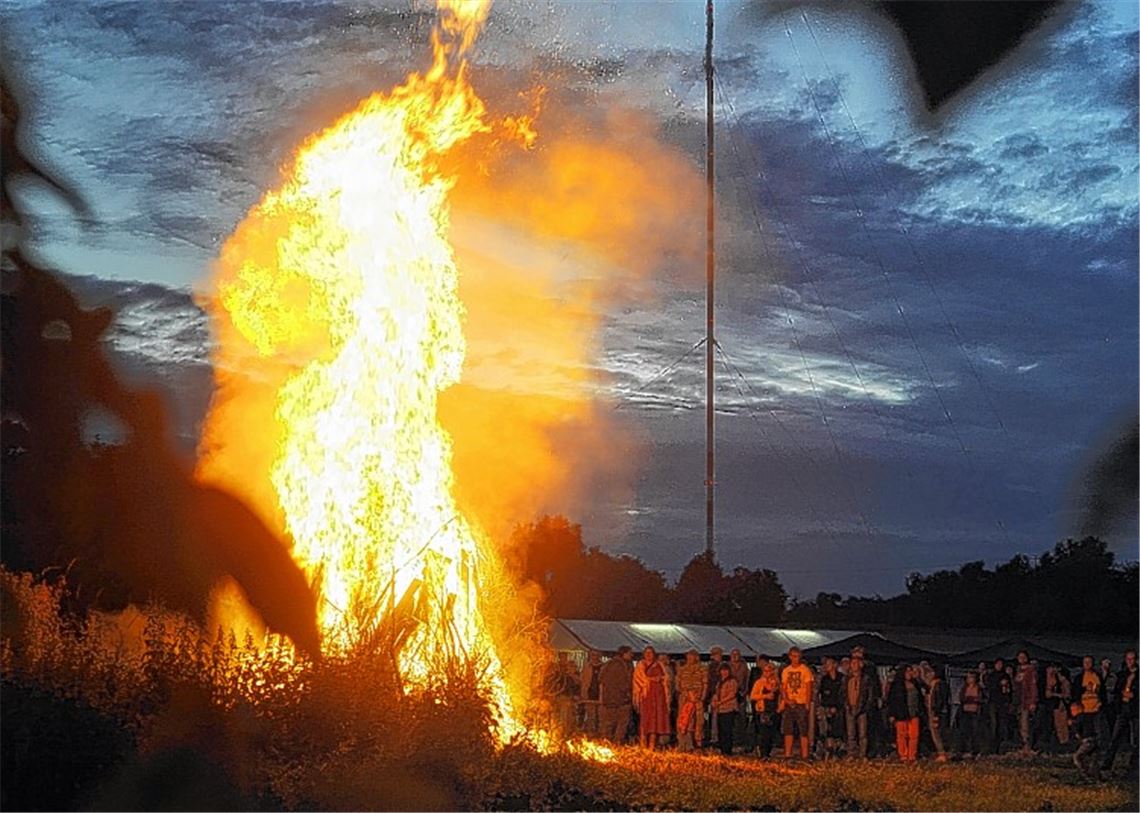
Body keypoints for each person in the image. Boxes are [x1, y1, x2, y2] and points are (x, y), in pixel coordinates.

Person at [1101, 649, 1138, 773]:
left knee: (1137, 739)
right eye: (1128, 659)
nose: (1130, 662)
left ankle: (1134, 765)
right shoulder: (1122, 674)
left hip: (1136, 709)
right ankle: (1107, 763)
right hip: (1123, 709)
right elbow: (1116, 690)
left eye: (1132, 659)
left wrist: (1135, 694)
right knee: (1115, 737)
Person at [632, 646, 671, 749]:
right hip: (646, 695)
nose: (649, 655)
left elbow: (666, 678)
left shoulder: (659, 665)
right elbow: (639, 679)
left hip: (658, 696)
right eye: (647, 653)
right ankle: (643, 744)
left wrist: (661, 679)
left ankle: (652, 745)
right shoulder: (641, 665)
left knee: (656, 720)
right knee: (646, 719)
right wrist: (652, 680)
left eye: (651, 653)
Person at [779, 647, 814, 760]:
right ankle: (788, 755)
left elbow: (809, 687)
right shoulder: (786, 671)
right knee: (788, 730)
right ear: (790, 657)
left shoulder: (805, 670)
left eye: (797, 656)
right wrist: (786, 700)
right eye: (793, 656)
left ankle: (804, 755)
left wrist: (807, 703)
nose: (795, 659)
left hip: (801, 703)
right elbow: (783, 688)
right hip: (790, 703)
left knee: (803, 730)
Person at [886, 664, 923, 762]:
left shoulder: (915, 684)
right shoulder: (896, 685)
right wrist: (892, 714)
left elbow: (920, 699)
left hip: (914, 713)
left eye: (910, 671)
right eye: (907, 671)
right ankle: (903, 754)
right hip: (901, 714)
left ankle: (912, 755)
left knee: (914, 735)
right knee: (901, 735)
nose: (910, 673)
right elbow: (891, 701)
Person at [598, 646, 634, 744]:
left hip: (608, 700)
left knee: (608, 724)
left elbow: (600, 679)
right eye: (630, 653)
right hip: (621, 700)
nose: (632, 655)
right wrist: (628, 693)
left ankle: (606, 743)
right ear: (624, 653)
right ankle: (617, 743)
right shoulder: (623, 666)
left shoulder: (607, 665)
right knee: (621, 724)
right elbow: (624, 683)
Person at [674, 649, 708, 752]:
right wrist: (686, 693)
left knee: (698, 721)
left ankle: (695, 744)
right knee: (684, 720)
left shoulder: (703, 669)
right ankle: (683, 743)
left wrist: (701, 697)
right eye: (688, 656)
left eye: (693, 656)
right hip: (685, 697)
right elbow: (677, 685)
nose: (690, 658)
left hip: (697, 698)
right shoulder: (682, 669)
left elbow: (705, 684)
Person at [844, 651, 875, 759]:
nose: (853, 666)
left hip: (862, 708)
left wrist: (865, 708)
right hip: (850, 707)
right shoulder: (847, 679)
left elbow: (870, 695)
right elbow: (843, 693)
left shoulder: (866, 679)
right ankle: (852, 753)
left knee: (863, 733)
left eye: (855, 663)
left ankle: (862, 754)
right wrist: (846, 705)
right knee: (850, 733)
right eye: (852, 664)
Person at [1076, 654, 1109, 751]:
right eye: (1085, 662)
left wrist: (1103, 704)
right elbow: (1076, 692)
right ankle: (1085, 750)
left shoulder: (1097, 676)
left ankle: (1098, 750)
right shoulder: (1080, 678)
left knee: (1099, 731)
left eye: (1089, 662)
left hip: (1097, 707)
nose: (1087, 664)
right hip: (1084, 709)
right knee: (1086, 732)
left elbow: (1102, 691)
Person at [750, 660, 780, 758]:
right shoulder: (759, 682)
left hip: (773, 710)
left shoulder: (776, 684)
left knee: (771, 733)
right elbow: (753, 696)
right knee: (763, 733)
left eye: (769, 670)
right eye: (765, 671)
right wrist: (765, 696)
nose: (767, 673)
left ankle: (768, 752)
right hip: (763, 710)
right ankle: (763, 754)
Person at [817, 657, 844, 759]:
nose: (826, 666)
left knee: (837, 730)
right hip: (826, 708)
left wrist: (837, 706)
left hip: (839, 709)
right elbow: (823, 694)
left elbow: (842, 694)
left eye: (828, 664)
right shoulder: (824, 680)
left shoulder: (842, 678)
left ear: (834, 665)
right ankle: (828, 750)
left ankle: (838, 750)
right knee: (826, 731)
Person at [984, 657, 1013, 753]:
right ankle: (993, 745)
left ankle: (1002, 745)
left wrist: (1008, 701)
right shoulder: (991, 676)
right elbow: (989, 687)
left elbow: (1009, 690)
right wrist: (998, 684)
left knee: (1002, 723)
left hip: (1003, 702)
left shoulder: (1006, 676)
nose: (999, 666)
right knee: (994, 723)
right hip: (993, 702)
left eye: (1001, 664)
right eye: (998, 664)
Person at [922, 663, 949, 762]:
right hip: (935, 711)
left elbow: (939, 700)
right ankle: (941, 751)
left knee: (937, 732)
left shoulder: (938, 685)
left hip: (937, 712)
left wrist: (936, 711)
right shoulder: (934, 685)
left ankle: (942, 752)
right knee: (936, 731)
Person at [1014, 649, 1039, 755]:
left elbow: (1033, 687)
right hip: (1019, 701)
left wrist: (1033, 701)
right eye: (1020, 657)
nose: (1021, 659)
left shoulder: (1031, 671)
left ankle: (1028, 746)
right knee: (1021, 724)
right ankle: (1023, 745)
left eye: (1023, 657)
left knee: (1026, 724)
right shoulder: (1018, 670)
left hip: (1027, 701)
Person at [548, 651, 580, 732]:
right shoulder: (557, 671)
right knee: (559, 717)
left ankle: (565, 731)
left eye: (565, 657)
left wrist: (571, 674)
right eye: (562, 657)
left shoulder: (572, 671)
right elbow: (553, 683)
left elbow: (579, 682)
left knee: (567, 717)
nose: (564, 659)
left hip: (569, 697)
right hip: (560, 696)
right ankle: (558, 731)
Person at [1069, 701, 1101, 781]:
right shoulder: (1088, 717)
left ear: (1078, 709)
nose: (1072, 713)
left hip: (1087, 741)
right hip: (1095, 739)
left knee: (1077, 757)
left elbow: (1078, 732)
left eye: (1073, 710)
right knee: (1093, 759)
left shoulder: (1078, 718)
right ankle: (1096, 777)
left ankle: (1085, 776)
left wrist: (1072, 725)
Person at [1043, 663, 1072, 752]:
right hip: (1054, 705)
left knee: (1062, 723)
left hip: (1060, 704)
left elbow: (1067, 694)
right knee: (1057, 723)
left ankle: (1064, 741)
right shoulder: (1051, 680)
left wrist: (1056, 695)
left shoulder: (1063, 681)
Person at [712, 663, 739, 756]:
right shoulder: (720, 682)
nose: (724, 672)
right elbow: (716, 693)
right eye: (722, 670)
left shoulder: (732, 681)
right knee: (721, 730)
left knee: (727, 730)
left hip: (729, 708)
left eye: (726, 670)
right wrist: (715, 701)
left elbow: (732, 694)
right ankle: (722, 749)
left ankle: (727, 750)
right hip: (720, 709)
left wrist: (721, 702)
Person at [957, 670, 984, 758]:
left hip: (975, 711)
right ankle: (964, 749)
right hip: (965, 711)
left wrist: (971, 699)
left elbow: (980, 699)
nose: (969, 679)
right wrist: (971, 699)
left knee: (975, 732)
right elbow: (962, 698)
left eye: (971, 677)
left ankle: (975, 750)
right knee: (965, 731)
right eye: (968, 677)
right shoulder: (964, 688)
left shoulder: (979, 688)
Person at [728, 648, 751, 751]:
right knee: (730, 718)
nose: (735, 656)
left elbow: (747, 680)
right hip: (729, 696)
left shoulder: (744, 666)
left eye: (737, 654)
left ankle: (741, 741)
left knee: (741, 718)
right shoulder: (727, 666)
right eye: (733, 654)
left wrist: (745, 691)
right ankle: (732, 740)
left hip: (741, 695)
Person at [579, 650, 603, 734]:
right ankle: (591, 734)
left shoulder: (603, 667)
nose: (595, 657)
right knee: (591, 716)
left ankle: (599, 734)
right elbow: (583, 680)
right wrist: (583, 693)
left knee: (600, 717)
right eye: (593, 655)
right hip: (589, 695)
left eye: (596, 655)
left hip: (600, 695)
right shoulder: (587, 667)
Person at [705, 646, 725, 746]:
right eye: (719, 654)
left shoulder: (713, 666)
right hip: (715, 694)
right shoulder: (715, 666)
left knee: (715, 716)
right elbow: (712, 681)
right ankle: (715, 737)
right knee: (715, 716)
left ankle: (715, 736)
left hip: (716, 693)